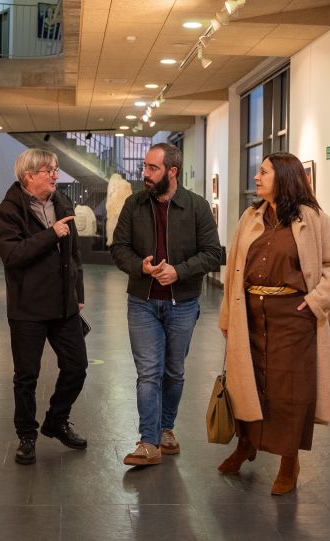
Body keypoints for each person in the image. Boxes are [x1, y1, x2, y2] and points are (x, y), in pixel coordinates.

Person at [217, 152, 330, 495]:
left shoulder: (314, 219)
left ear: (284, 178)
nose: (257, 178)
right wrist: (228, 315)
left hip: (294, 317)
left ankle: (289, 461)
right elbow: (232, 271)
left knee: (289, 390)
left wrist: (315, 302)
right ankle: (246, 444)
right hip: (251, 317)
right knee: (249, 382)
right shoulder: (250, 217)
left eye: (263, 172)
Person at [110, 143, 221, 466]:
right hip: (142, 303)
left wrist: (179, 271)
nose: (145, 174)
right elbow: (119, 249)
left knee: (174, 372)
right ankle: (148, 440)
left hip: (182, 303)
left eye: (152, 168)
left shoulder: (197, 207)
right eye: (145, 167)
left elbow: (214, 253)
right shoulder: (134, 205)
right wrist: (139, 267)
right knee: (148, 372)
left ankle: (166, 430)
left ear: (171, 172)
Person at [0, 149, 88, 465]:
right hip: (27, 308)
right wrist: (50, 234)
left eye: (56, 169)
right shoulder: (8, 211)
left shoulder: (62, 203)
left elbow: (74, 255)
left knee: (76, 367)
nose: (55, 175)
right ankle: (27, 436)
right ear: (28, 175)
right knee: (26, 376)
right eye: (48, 170)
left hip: (64, 306)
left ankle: (56, 421)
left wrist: (78, 292)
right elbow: (12, 256)